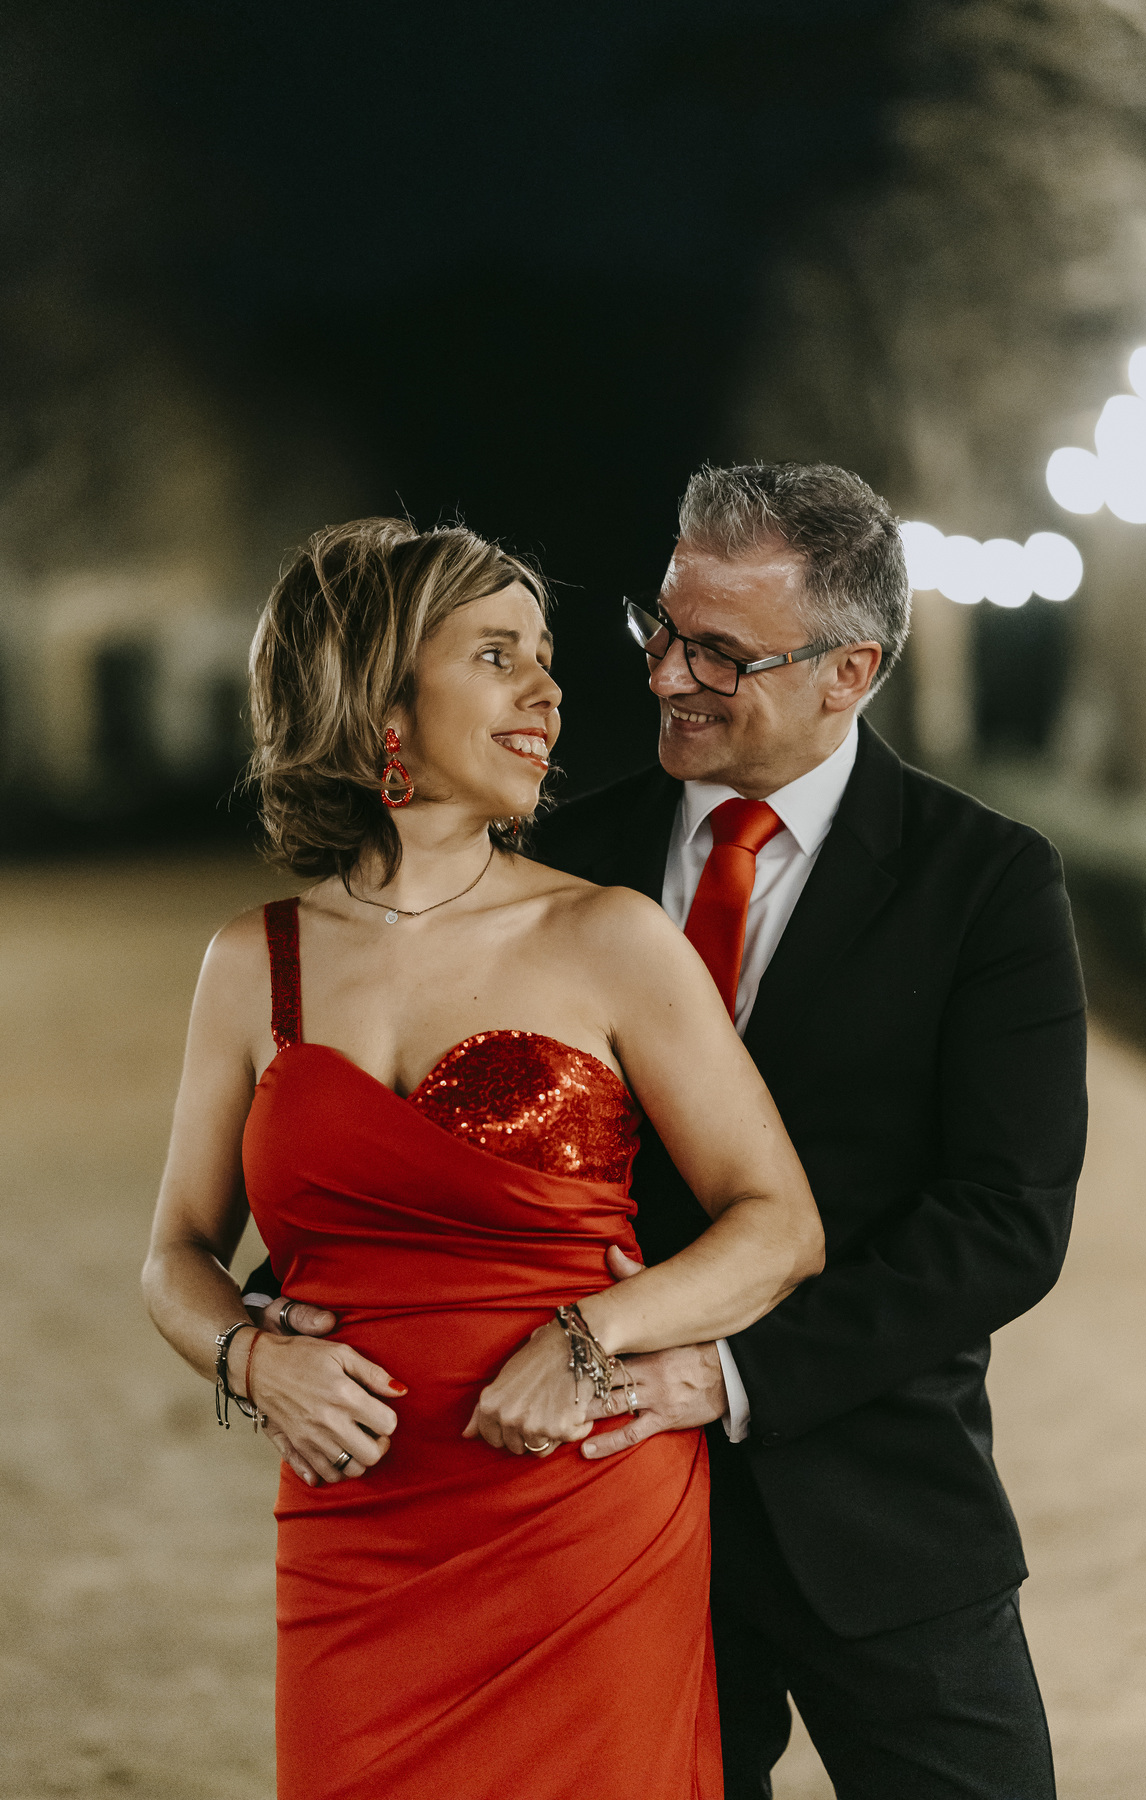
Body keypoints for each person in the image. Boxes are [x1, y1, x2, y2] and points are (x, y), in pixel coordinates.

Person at [251, 463, 1088, 1800]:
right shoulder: (556, 862)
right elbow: (433, 1145)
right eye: (661, 630)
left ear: (851, 670)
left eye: (720, 654)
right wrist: (289, 1309)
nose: (664, 676)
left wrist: (728, 1372)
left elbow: (1005, 1223)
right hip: (578, 1511)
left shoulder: (985, 880)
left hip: (874, 1506)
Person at [142, 516, 825, 1800]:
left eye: (548, 659)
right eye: (498, 655)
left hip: (585, 1516)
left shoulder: (610, 936)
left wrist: (590, 1337)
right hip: (355, 1531)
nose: (550, 693)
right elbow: (175, 1253)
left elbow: (780, 1225)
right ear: (382, 694)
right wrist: (253, 1359)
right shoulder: (251, 962)